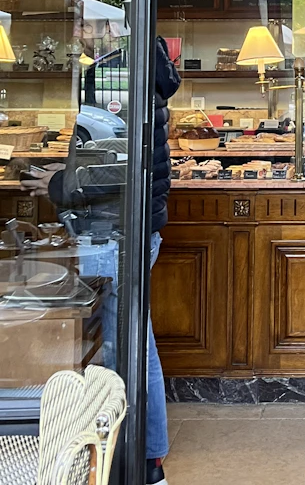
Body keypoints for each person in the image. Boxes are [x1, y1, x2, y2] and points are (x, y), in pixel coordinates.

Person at [21, 35, 180, 485]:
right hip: (130, 229)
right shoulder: (141, 67)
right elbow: (118, 156)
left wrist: (59, 184)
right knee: (132, 343)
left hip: (115, 233)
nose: (76, 33)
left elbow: (116, 169)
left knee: (126, 349)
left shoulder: (117, 74)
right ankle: (139, 456)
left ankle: (143, 462)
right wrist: (68, 173)